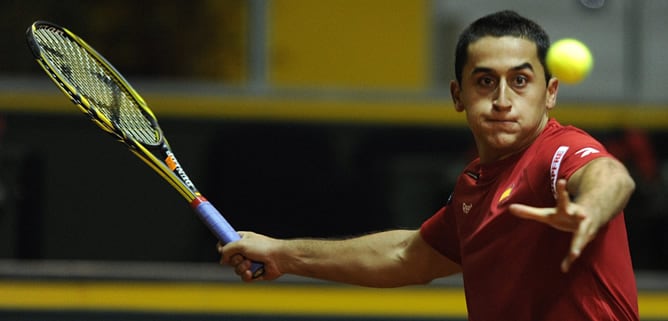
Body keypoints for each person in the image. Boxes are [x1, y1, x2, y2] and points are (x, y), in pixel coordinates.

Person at [218, 10, 639, 321]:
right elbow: (407, 255)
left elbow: (609, 175)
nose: (503, 100)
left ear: (550, 93)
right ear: (459, 95)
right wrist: (282, 253)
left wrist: (589, 209)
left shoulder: (559, 151)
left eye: (521, 80)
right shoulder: (475, 186)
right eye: (486, 81)